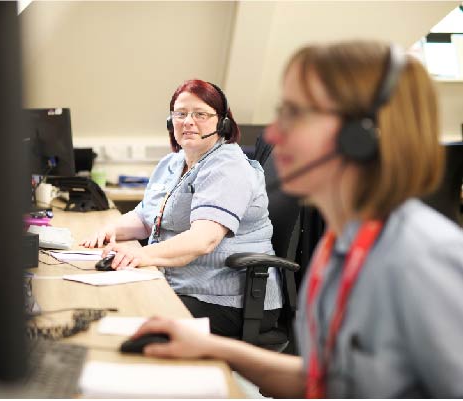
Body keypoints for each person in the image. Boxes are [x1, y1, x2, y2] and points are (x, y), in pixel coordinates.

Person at [130, 41, 463, 398]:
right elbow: (328, 380)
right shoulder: (340, 247)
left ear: (360, 137)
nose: (274, 134)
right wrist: (213, 348)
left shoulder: (422, 257)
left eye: (297, 114)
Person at [80, 79, 281, 337]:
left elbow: (203, 240)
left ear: (223, 123)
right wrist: (109, 231)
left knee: (131, 322)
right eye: (180, 114)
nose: (188, 121)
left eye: (200, 114)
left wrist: (142, 256)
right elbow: (145, 218)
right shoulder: (172, 163)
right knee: (111, 303)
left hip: (227, 299)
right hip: (182, 286)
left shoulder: (228, 167)